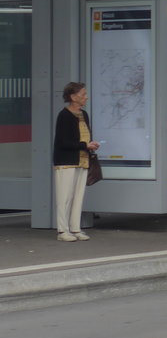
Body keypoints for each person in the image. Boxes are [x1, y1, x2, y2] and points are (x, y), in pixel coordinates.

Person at [53, 82, 99, 242]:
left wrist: (91, 144)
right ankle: (62, 231)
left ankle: (75, 228)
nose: (86, 97)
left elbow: (86, 135)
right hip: (66, 161)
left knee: (78, 196)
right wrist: (85, 145)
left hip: (82, 159)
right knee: (64, 197)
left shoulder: (84, 114)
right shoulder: (64, 115)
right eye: (83, 94)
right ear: (73, 97)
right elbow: (63, 142)